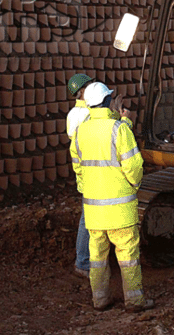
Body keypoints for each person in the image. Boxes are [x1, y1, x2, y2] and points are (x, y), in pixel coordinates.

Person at [71, 81, 154, 312]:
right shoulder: (119, 130)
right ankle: (135, 301)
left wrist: (89, 191)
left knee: (97, 259)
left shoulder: (80, 132)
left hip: (94, 212)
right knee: (127, 257)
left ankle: (100, 300)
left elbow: (78, 169)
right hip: (120, 211)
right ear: (108, 102)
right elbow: (134, 165)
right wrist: (133, 185)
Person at [66, 73, 94, 278]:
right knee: (88, 219)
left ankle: (87, 260)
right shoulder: (84, 116)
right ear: (83, 92)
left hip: (88, 174)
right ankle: (83, 262)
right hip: (93, 174)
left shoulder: (74, 114)